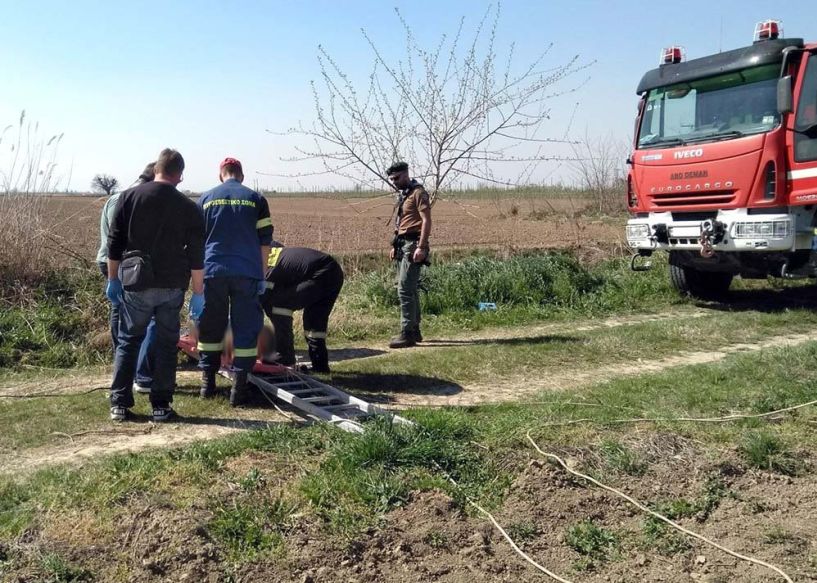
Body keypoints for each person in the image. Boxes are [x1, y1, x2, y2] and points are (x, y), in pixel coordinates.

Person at [106, 148, 205, 422]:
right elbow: (197, 255)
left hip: (135, 283)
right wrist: (198, 293)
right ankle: (160, 405)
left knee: (128, 341)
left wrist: (113, 279)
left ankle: (120, 404)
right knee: (165, 344)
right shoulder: (189, 207)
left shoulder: (128, 197)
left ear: (156, 169)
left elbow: (114, 243)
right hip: (172, 285)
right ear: (180, 176)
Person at [196, 157, 272, 406]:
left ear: (221, 175)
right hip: (247, 272)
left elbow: (196, 242)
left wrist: (196, 278)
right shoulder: (256, 199)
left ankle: (207, 384)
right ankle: (239, 389)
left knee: (210, 323)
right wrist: (262, 276)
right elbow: (264, 243)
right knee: (246, 325)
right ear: (242, 174)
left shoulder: (206, 199)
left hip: (212, 270)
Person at [96, 162, 156, 394]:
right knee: (127, 316)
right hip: (123, 265)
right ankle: (129, 369)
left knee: (120, 312)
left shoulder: (117, 198)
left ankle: (123, 365)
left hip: (112, 262)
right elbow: (118, 240)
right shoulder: (130, 201)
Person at [260, 244, 344, 373]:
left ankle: (284, 358)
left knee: (278, 306)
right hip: (334, 271)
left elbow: (262, 298)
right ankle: (320, 367)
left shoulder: (267, 264)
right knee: (315, 322)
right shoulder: (277, 254)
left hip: (320, 272)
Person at [386, 161, 431, 349]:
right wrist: (395, 245)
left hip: (414, 244)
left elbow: (426, 220)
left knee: (404, 289)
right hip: (403, 244)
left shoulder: (418, 193)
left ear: (406, 174)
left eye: (397, 178)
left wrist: (421, 246)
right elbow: (402, 221)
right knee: (410, 289)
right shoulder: (404, 195)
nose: (394, 182)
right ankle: (415, 330)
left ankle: (407, 333)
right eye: (392, 179)